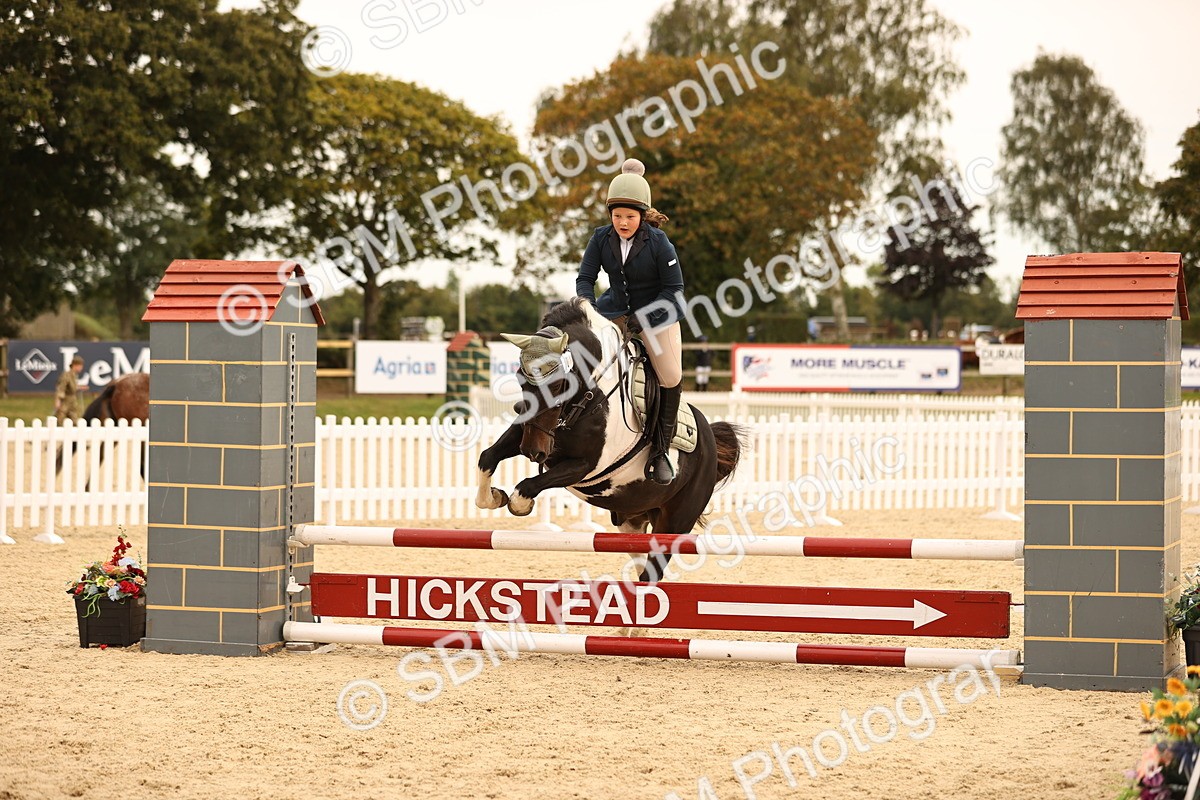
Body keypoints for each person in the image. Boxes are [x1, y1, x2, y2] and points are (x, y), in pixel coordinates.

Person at [576, 158, 684, 485]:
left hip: (655, 315)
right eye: (617, 216)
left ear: (642, 216)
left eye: (629, 217)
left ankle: (661, 450)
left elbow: (674, 289)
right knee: (578, 354)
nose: (622, 222)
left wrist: (644, 317)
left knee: (670, 375)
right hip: (615, 310)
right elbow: (585, 278)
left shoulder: (659, 243)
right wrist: (588, 308)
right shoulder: (600, 238)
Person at [55, 356, 85, 422]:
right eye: (80, 366)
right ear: (75, 365)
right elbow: (61, 388)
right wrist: (58, 400)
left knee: (74, 420)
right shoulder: (66, 375)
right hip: (65, 401)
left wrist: (79, 387)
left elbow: (72, 387)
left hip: (73, 401)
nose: (81, 368)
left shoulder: (74, 375)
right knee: (60, 419)